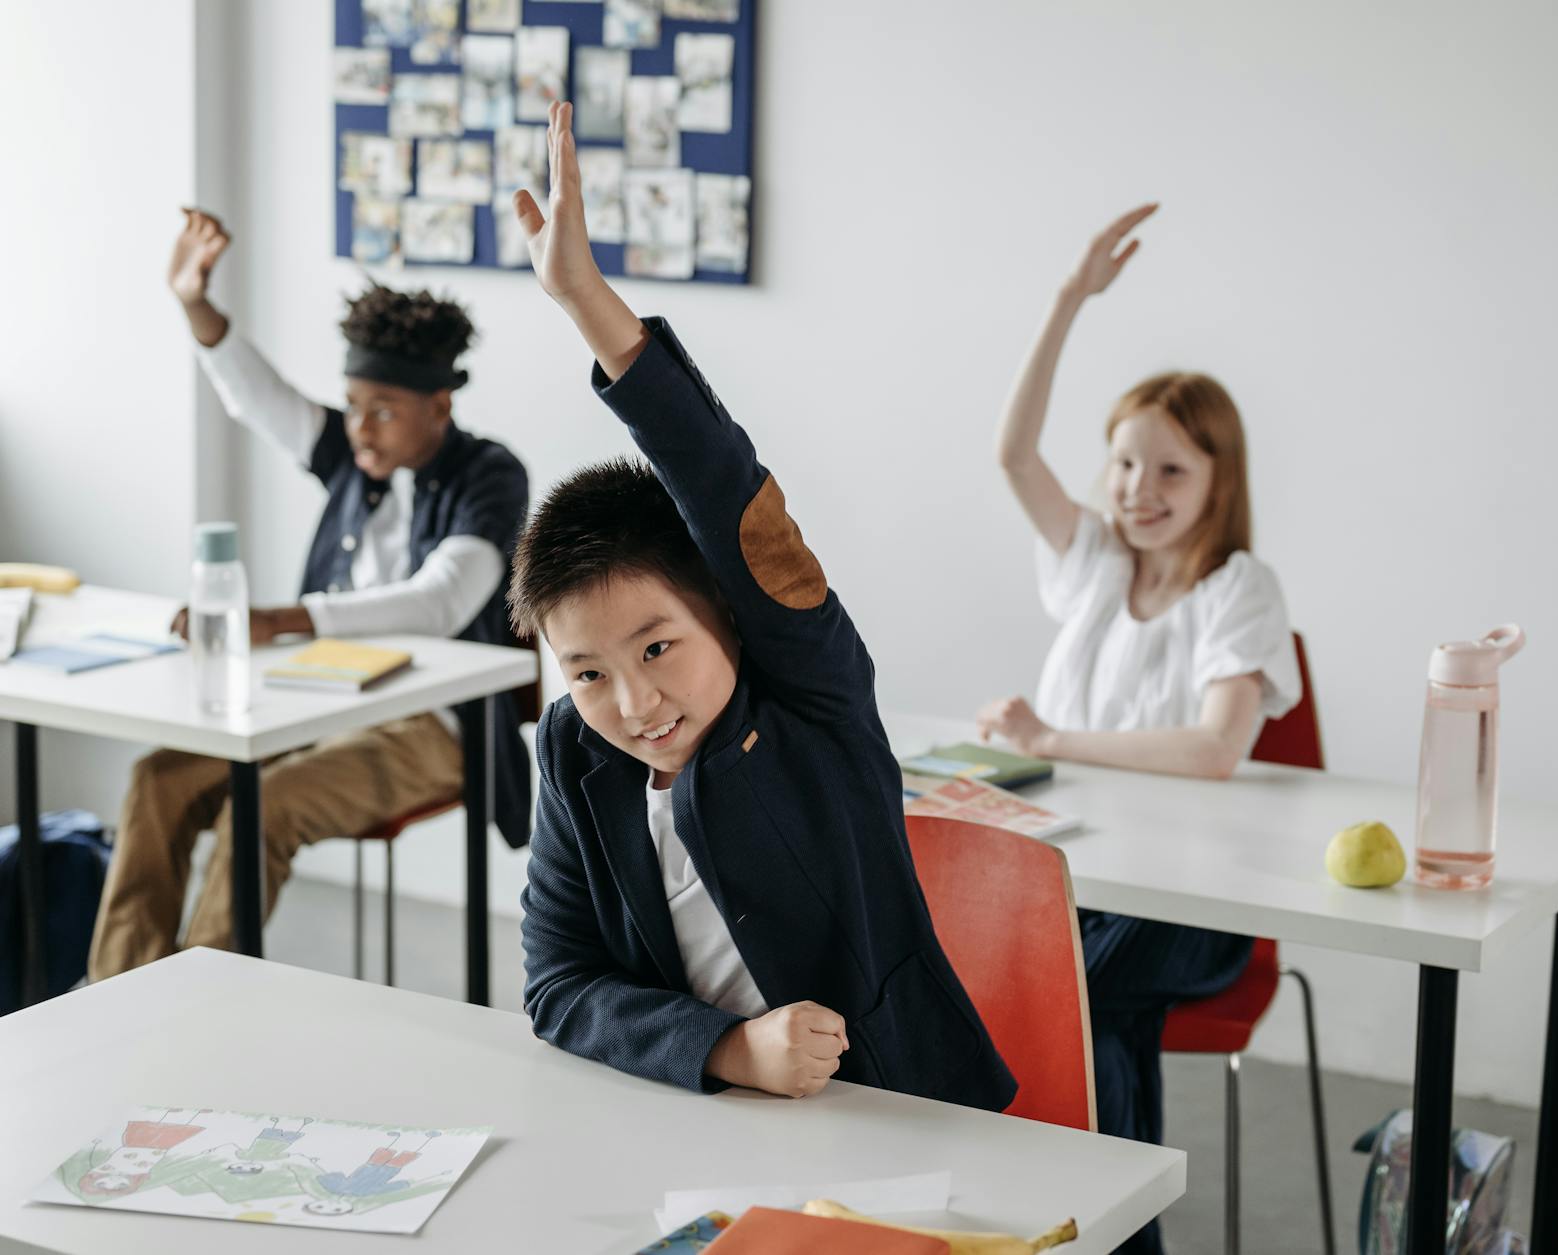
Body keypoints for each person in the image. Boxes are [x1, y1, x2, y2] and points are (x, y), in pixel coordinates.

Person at [507, 103, 1015, 1110]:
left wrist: (585, 303)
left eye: (657, 648)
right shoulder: (573, 751)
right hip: (693, 1124)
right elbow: (558, 987)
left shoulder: (807, 696)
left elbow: (724, 489)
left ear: (728, 616)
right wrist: (726, 1048)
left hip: (896, 1112)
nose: (634, 702)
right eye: (590, 672)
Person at [86, 210, 532, 981]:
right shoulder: (351, 450)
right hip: (320, 698)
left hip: (435, 726)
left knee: (265, 805)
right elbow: (256, 395)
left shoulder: (490, 475)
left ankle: (192, 1002)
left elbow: (441, 601)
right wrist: (196, 303)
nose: (360, 426)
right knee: (157, 780)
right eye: (353, 402)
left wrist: (280, 619)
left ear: (439, 407)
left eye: (383, 409)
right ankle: (113, 990)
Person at [977, 205, 1302, 1255]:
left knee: (1049, 988)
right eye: (1123, 465)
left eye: (1170, 470)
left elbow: (1215, 748)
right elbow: (1012, 450)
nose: (1138, 491)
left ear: (1218, 480)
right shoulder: (1092, 563)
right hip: (1081, 879)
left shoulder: (1238, 588)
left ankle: (1072, 1226)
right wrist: (1068, 299)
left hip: (1196, 904)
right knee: (1057, 986)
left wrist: (1054, 738)